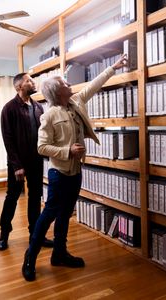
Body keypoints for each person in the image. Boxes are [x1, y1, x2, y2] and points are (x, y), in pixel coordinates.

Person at [21, 54, 128, 281]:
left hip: (76, 172)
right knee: (47, 216)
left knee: (65, 214)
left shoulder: (76, 102)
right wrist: (67, 151)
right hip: (59, 174)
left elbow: (94, 85)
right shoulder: (49, 115)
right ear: (56, 91)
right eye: (64, 83)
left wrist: (113, 67)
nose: (69, 85)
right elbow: (41, 147)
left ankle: (59, 254)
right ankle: (30, 257)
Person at [0, 73, 53, 251]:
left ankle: (35, 236)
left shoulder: (38, 107)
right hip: (17, 164)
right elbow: (8, 139)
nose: (33, 82)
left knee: (35, 198)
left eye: (32, 80)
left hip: (36, 161)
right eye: (28, 81)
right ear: (18, 87)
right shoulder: (9, 108)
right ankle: (4, 233)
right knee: (12, 197)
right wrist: (17, 166)